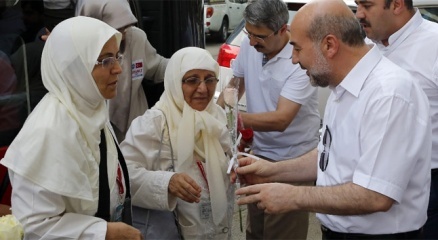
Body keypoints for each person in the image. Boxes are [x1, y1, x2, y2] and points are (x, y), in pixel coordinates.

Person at [233, 0, 431, 239]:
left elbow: (375, 195)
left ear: (329, 45)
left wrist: (292, 196)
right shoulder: (344, 87)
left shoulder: (388, 94)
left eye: (297, 49)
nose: (294, 60)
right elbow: (329, 156)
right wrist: (272, 171)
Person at [0, 16, 142, 239]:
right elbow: (34, 226)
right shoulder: (49, 130)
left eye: (117, 57)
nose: (118, 69)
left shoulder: (91, 110)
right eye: (105, 60)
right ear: (75, 67)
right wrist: (102, 232)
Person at [217, 0, 320, 238]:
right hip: (259, 154)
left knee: (282, 232)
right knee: (256, 230)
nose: (252, 42)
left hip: (293, 160)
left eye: (260, 36)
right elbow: (235, 85)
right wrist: (217, 111)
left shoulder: (300, 58)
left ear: (283, 29)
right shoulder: (248, 45)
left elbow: (281, 119)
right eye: (249, 33)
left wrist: (234, 120)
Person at [120, 47, 235, 239]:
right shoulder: (155, 122)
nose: (203, 89)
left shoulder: (217, 117)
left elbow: (227, 160)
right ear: (174, 81)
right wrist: (167, 183)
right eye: (192, 80)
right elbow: (123, 175)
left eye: (210, 79)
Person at [354, 1, 438, 238]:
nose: (359, 13)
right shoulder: (365, 46)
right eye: (358, 4)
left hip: (427, 187)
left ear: (398, 4)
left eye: (367, 5)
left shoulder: (434, 44)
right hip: (364, 179)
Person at [76, 0, 169, 142]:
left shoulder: (135, 38)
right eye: (119, 27)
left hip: (135, 126)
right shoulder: (78, 50)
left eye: (127, 25)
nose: (124, 32)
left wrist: (185, 64)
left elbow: (157, 66)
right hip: (96, 132)